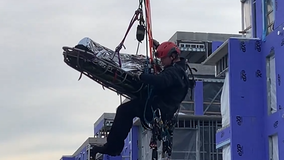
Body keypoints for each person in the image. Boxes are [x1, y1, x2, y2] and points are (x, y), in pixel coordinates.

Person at [90, 41, 190, 158]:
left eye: (163, 58)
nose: (161, 62)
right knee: (128, 107)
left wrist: (141, 76)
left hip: (157, 108)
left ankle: (113, 147)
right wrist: (158, 47)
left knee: (124, 111)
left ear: (172, 57)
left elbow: (161, 81)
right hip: (162, 108)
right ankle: (113, 146)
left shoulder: (174, 72)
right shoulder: (180, 70)